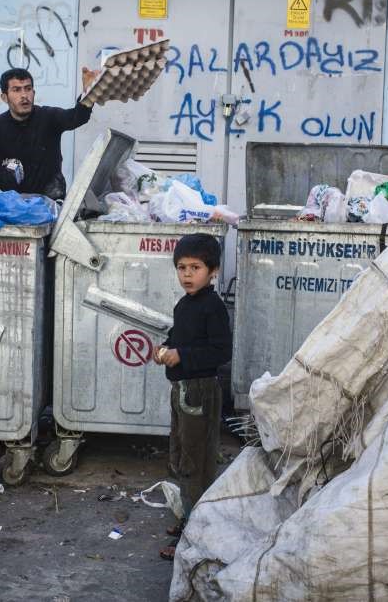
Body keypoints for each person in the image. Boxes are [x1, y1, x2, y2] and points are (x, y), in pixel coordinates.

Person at [153, 233, 232, 560]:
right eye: (181, 267)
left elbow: (220, 351)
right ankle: (190, 515)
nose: (187, 274)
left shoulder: (212, 307)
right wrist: (165, 349)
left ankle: (193, 535)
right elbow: (179, 336)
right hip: (183, 391)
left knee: (195, 462)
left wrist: (181, 355)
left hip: (200, 393)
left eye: (195, 267)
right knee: (182, 453)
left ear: (212, 270)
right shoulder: (185, 304)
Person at [0, 67, 98, 200]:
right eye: (16, 90)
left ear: (34, 92)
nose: (24, 95)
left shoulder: (48, 116)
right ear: (4, 97)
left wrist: (89, 93)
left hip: (52, 200)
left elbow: (76, 117)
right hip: (17, 205)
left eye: (28, 88)